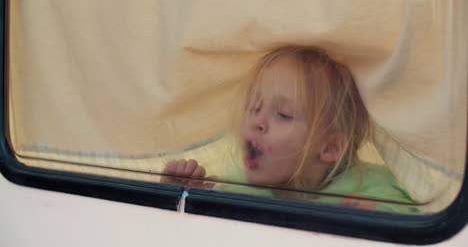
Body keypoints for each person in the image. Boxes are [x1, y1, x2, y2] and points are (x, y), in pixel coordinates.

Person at [161, 46, 417, 213]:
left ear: (329, 147)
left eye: (283, 114)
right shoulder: (235, 188)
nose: (257, 121)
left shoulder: (375, 196)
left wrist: (374, 227)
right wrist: (177, 196)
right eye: (253, 107)